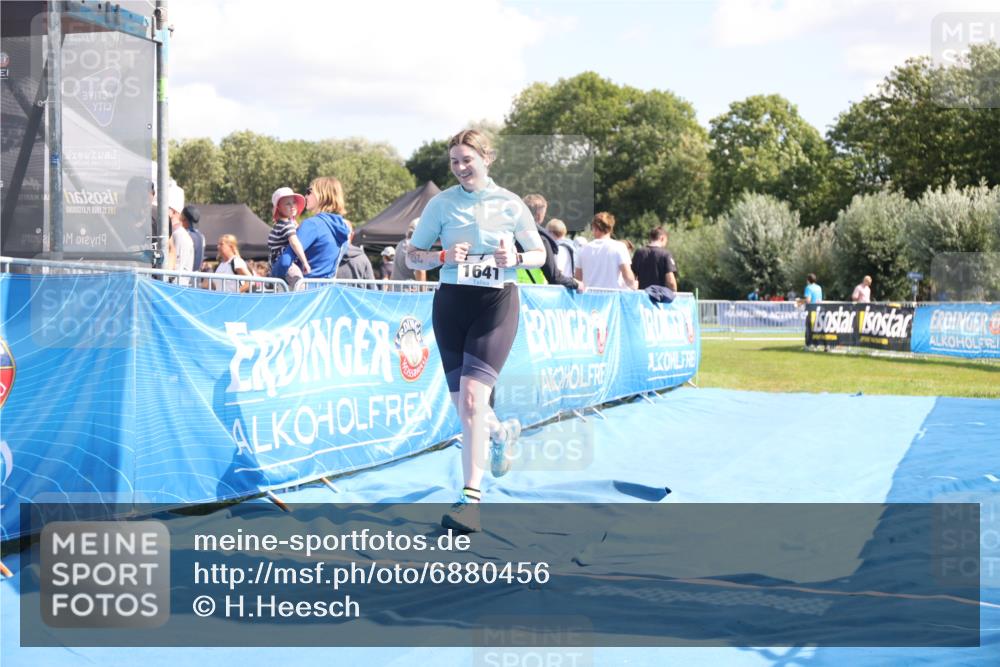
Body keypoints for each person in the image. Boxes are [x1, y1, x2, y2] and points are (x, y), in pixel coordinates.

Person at [405, 129, 546, 533]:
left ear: (487, 158)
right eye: (454, 162)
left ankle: (470, 499)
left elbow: (538, 253)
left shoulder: (510, 203)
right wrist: (441, 255)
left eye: (468, 159)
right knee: (468, 409)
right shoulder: (441, 204)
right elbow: (412, 252)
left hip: (495, 304)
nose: (461, 168)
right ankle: (500, 434)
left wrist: (515, 257)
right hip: (451, 304)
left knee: (471, 400)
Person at [271, 177, 351, 284]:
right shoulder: (344, 229)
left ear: (321, 195)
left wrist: (271, 277)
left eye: (309, 192)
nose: (305, 196)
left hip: (304, 294)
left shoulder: (312, 224)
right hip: (327, 294)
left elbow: (285, 261)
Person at [575, 212, 637, 290]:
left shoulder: (583, 249)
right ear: (611, 228)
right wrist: (634, 284)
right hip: (611, 298)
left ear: (594, 227)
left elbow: (578, 278)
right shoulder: (620, 247)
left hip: (588, 298)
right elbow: (628, 278)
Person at [268, 186, 312, 290]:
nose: (292, 206)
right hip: (287, 267)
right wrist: (305, 262)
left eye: (293, 202)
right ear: (278, 208)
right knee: (302, 289)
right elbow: (294, 243)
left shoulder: (279, 225)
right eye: (287, 204)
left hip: (276, 267)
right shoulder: (286, 225)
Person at [165, 182, 194, 286]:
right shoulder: (174, 233)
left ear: (174, 212)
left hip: (177, 288)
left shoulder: (180, 235)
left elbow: (178, 265)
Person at [336, 223, 377, 288]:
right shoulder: (363, 258)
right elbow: (372, 288)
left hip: (335, 297)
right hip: (358, 297)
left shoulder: (327, 258)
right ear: (352, 235)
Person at [394, 218, 427, 283]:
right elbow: (420, 271)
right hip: (408, 291)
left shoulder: (400, 244)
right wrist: (424, 292)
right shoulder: (417, 246)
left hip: (396, 290)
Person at [181, 205, 205, 277]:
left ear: (185, 219)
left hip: (186, 277)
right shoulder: (201, 236)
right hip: (196, 276)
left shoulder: (185, 235)